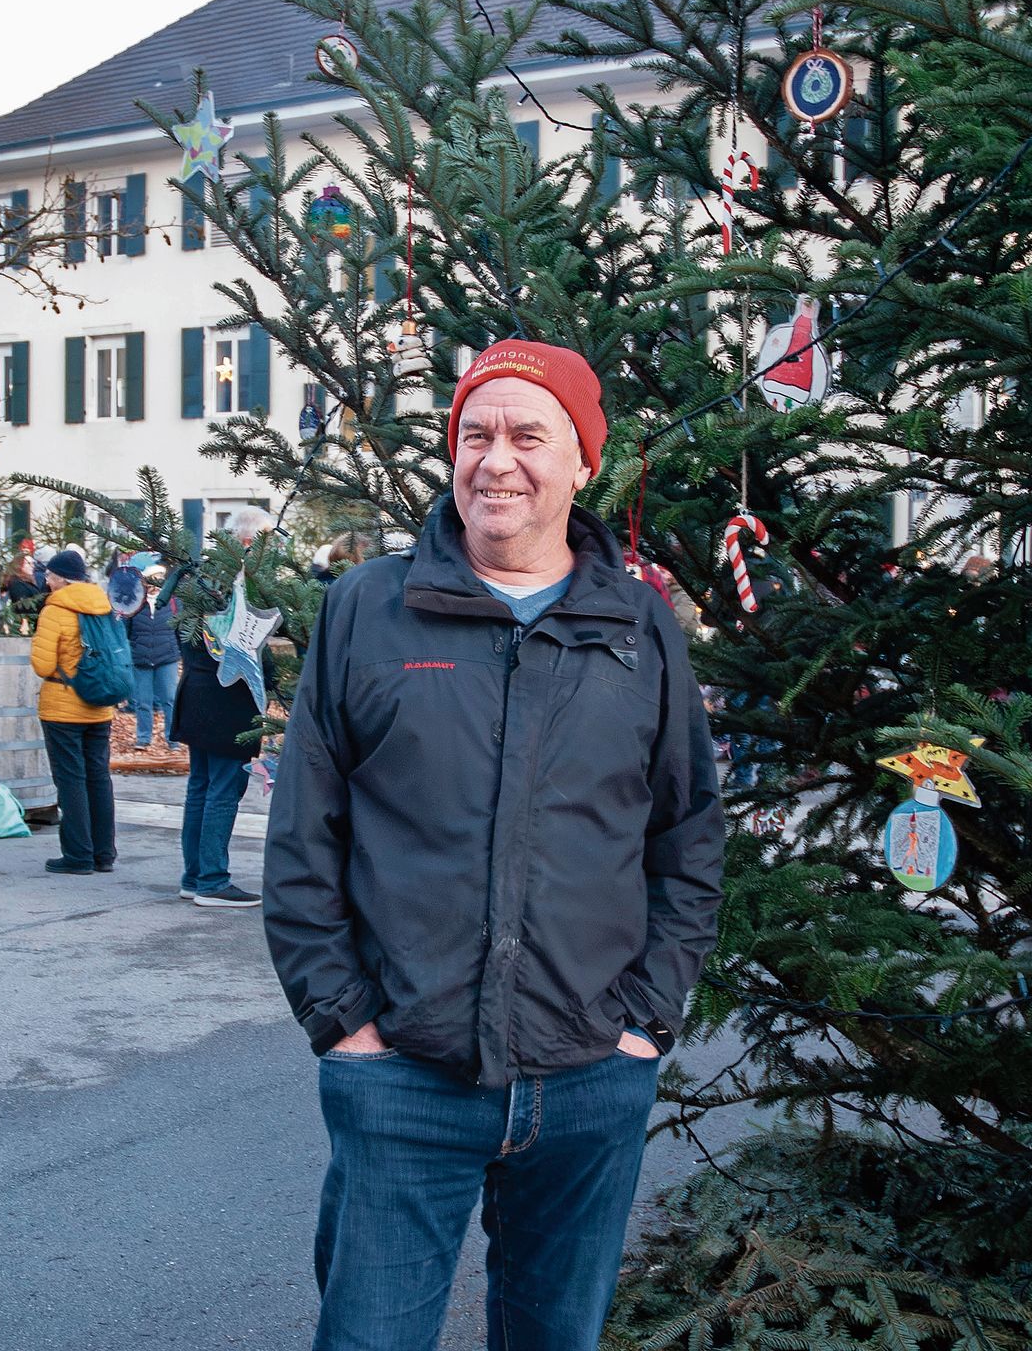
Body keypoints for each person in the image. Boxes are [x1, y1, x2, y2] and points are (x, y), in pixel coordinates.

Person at [263, 338, 724, 1351]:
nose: (496, 460)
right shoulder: (365, 609)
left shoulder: (638, 626)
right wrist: (345, 1028)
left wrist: (647, 1020)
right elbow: (303, 837)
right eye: (475, 434)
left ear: (581, 462)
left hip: (589, 1079)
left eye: (528, 435)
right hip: (402, 1080)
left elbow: (685, 835)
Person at [171, 506, 276, 909]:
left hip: (196, 691)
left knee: (201, 785)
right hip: (228, 698)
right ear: (250, 542)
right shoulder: (238, 585)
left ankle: (194, 874)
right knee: (222, 789)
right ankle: (212, 880)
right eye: (268, 542)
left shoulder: (198, 579)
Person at [29, 549, 117, 875]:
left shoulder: (55, 610)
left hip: (63, 707)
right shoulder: (102, 604)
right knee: (98, 778)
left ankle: (78, 856)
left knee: (71, 780)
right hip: (100, 706)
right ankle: (104, 854)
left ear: (62, 578)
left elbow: (42, 664)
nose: (46, 581)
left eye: (50, 576)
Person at [125, 564, 181, 751]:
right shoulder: (135, 603)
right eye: (151, 579)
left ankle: (172, 739)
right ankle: (143, 738)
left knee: (170, 700)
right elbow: (127, 631)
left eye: (158, 579)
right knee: (143, 702)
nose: (155, 584)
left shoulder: (173, 603)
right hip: (141, 659)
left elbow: (181, 630)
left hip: (167, 658)